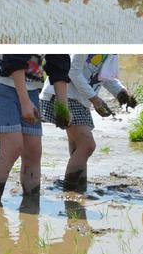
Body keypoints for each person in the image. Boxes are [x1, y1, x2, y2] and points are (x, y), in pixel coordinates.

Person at [0, 55, 70, 204]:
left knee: (33, 150)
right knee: (12, 147)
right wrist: (25, 102)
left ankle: (32, 206)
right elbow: (13, 58)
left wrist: (63, 107)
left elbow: (58, 61)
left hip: (30, 84)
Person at [39, 55, 135, 191]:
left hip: (81, 99)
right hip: (64, 95)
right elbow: (72, 71)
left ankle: (79, 188)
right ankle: (70, 191)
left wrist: (120, 92)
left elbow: (104, 76)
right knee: (87, 145)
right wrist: (95, 99)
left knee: (79, 147)